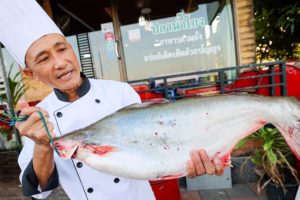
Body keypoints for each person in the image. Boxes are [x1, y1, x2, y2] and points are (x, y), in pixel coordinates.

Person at [0, 1, 225, 199]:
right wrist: (42, 145)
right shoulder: (40, 118)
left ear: (71, 49)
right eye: (44, 58)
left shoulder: (120, 93)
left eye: (62, 49)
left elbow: (158, 144)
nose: (60, 62)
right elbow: (39, 190)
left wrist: (194, 158)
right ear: (31, 74)